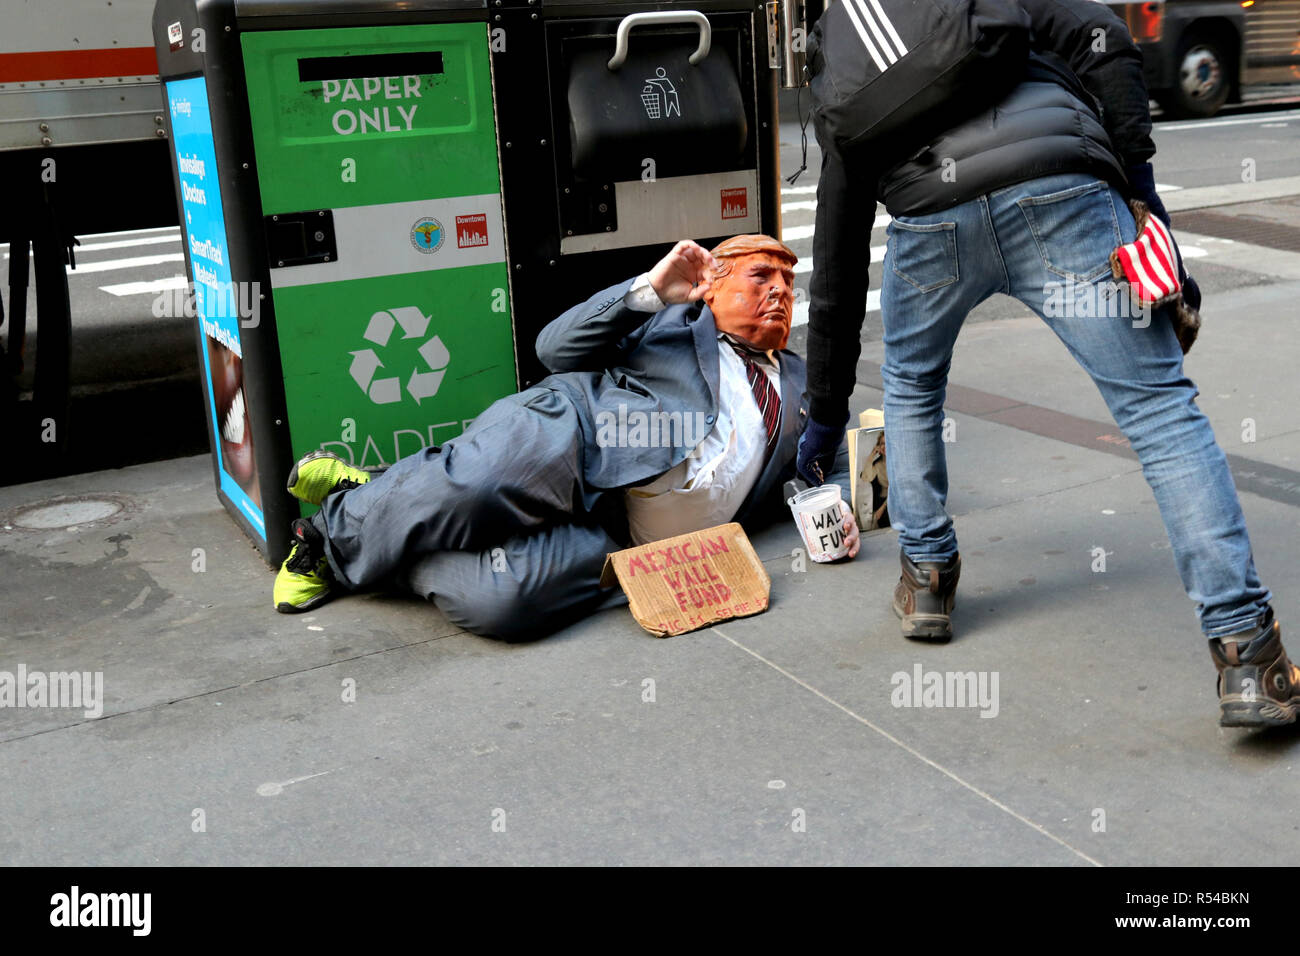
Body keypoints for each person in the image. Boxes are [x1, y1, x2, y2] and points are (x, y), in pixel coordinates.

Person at [795, 0, 1298, 728]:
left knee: (909, 382)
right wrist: (1140, 192)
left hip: (928, 218)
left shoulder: (838, 46)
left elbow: (837, 253)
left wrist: (826, 411)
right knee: (1157, 409)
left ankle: (929, 578)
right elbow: (1108, 43)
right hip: (1058, 189)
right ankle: (1250, 659)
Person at [273, 234, 859, 639]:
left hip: (622, 535)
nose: (781, 289)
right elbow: (553, 349)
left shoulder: (808, 385)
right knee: (475, 487)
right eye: (761, 276)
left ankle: (386, 503)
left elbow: (826, 466)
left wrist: (845, 507)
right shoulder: (672, 321)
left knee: (503, 602)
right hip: (575, 435)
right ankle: (328, 536)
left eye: (788, 280)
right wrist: (651, 290)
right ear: (712, 285)